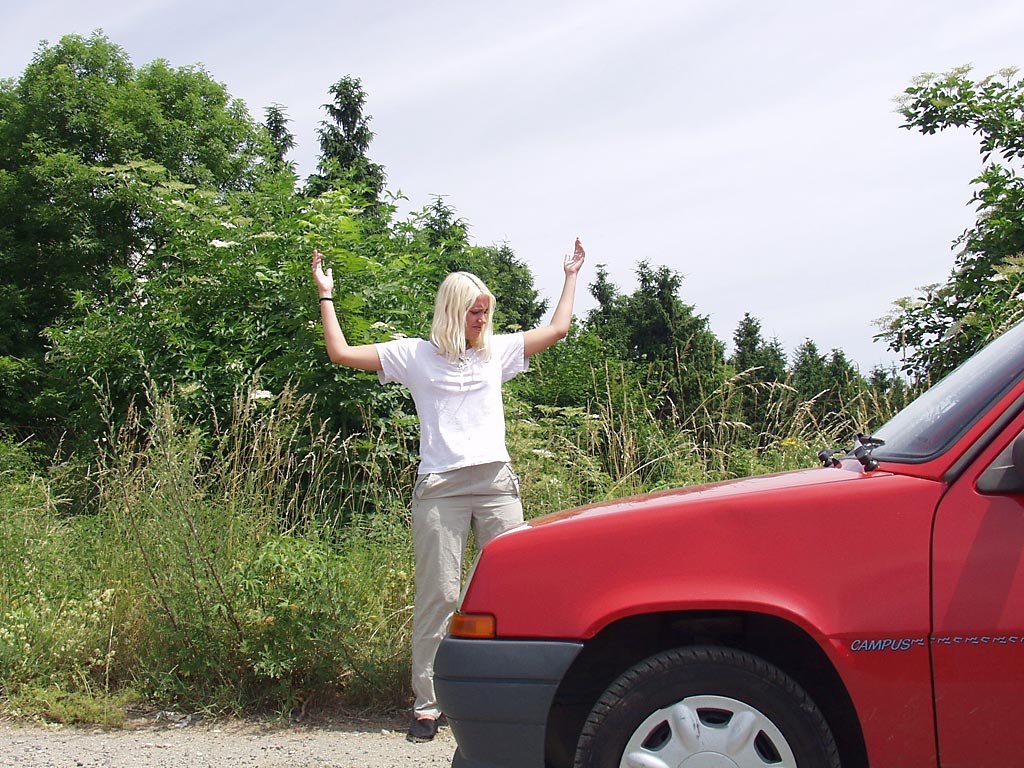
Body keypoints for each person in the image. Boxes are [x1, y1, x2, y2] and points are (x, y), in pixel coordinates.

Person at [312, 240, 586, 743]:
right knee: (438, 595)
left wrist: (570, 276)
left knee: (516, 588)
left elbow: (558, 329)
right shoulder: (413, 354)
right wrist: (326, 295)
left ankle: (516, 697)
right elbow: (341, 353)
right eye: (474, 312)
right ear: (452, 311)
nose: (482, 320)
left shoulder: (496, 350)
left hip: (496, 484)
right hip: (440, 488)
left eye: (486, 312)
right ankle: (428, 706)